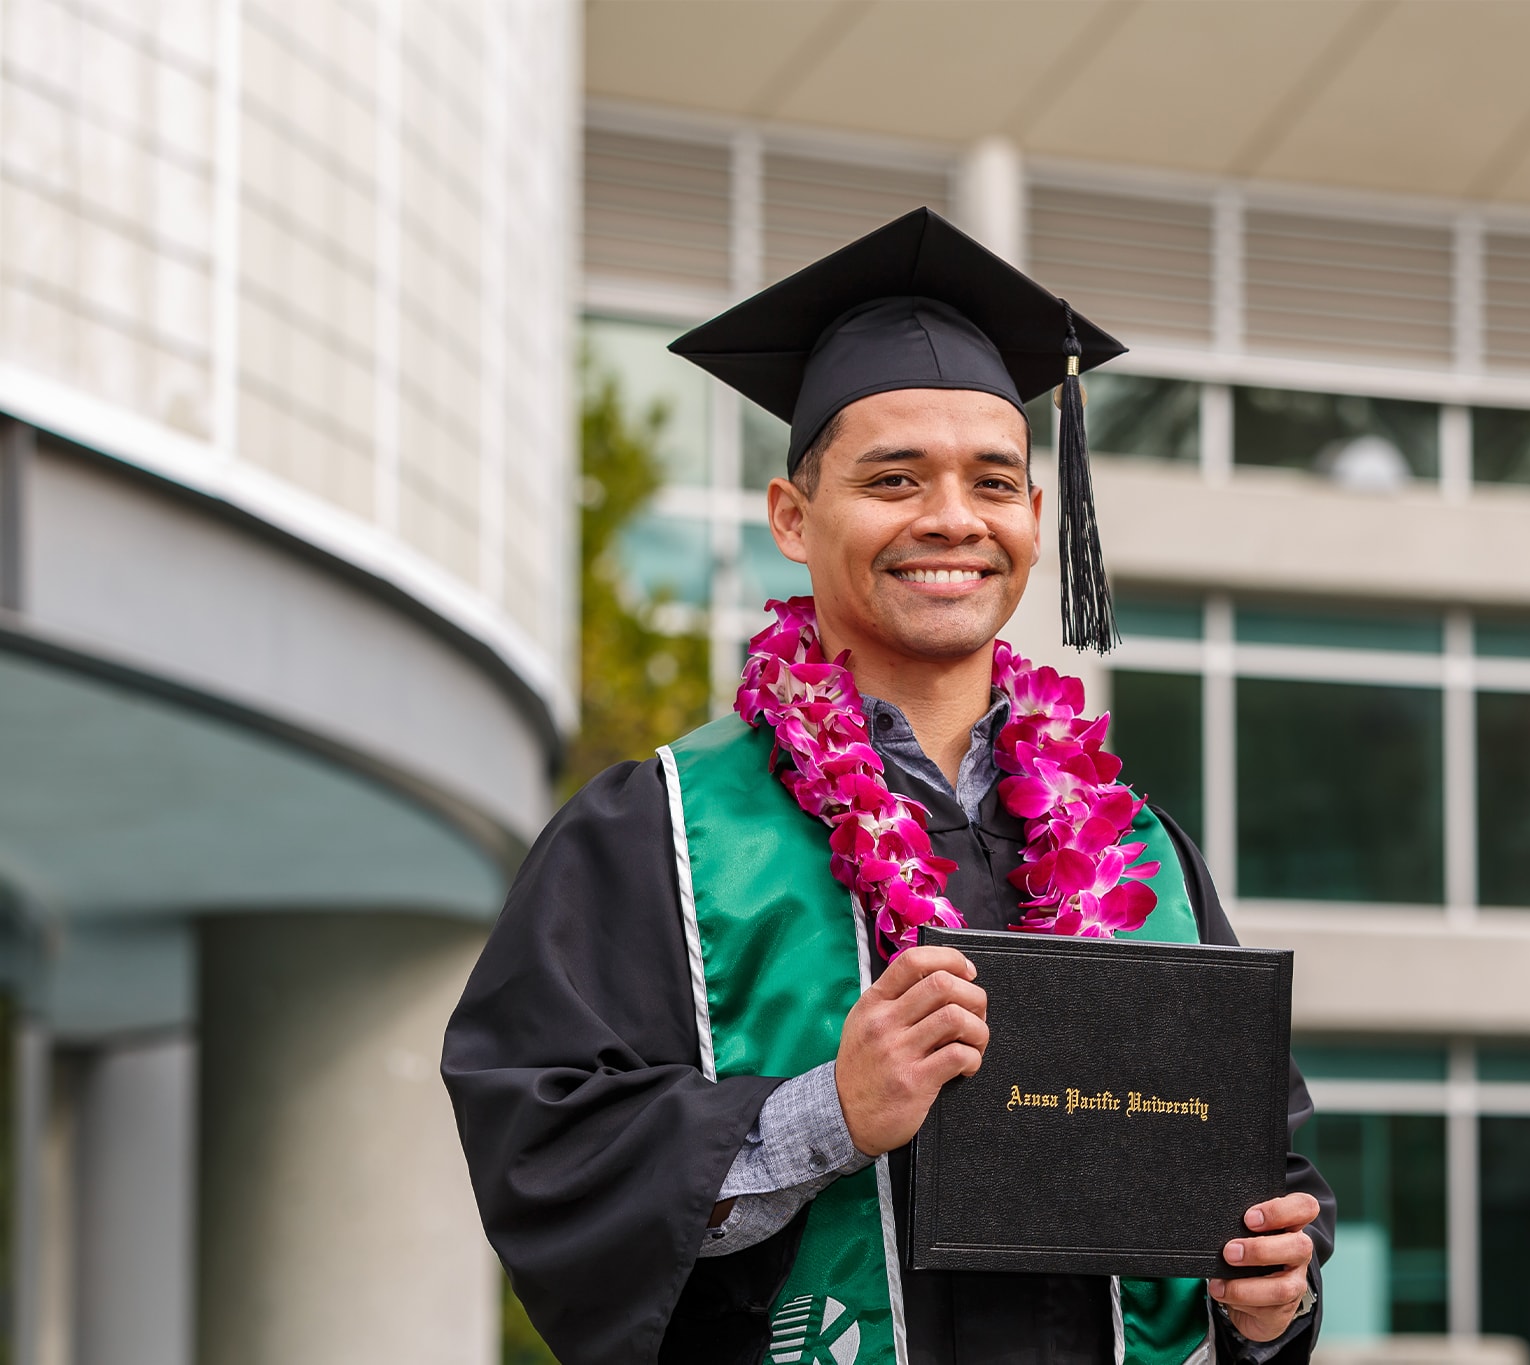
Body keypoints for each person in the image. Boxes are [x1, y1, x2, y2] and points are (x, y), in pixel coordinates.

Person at [443, 208, 1334, 1365]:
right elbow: (548, 1148)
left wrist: (1272, 1297)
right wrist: (823, 1116)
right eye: (894, 478)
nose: (951, 520)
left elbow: (1267, 1164)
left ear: (1030, 517)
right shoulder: (655, 830)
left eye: (993, 481)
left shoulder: (1138, 853)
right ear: (792, 519)